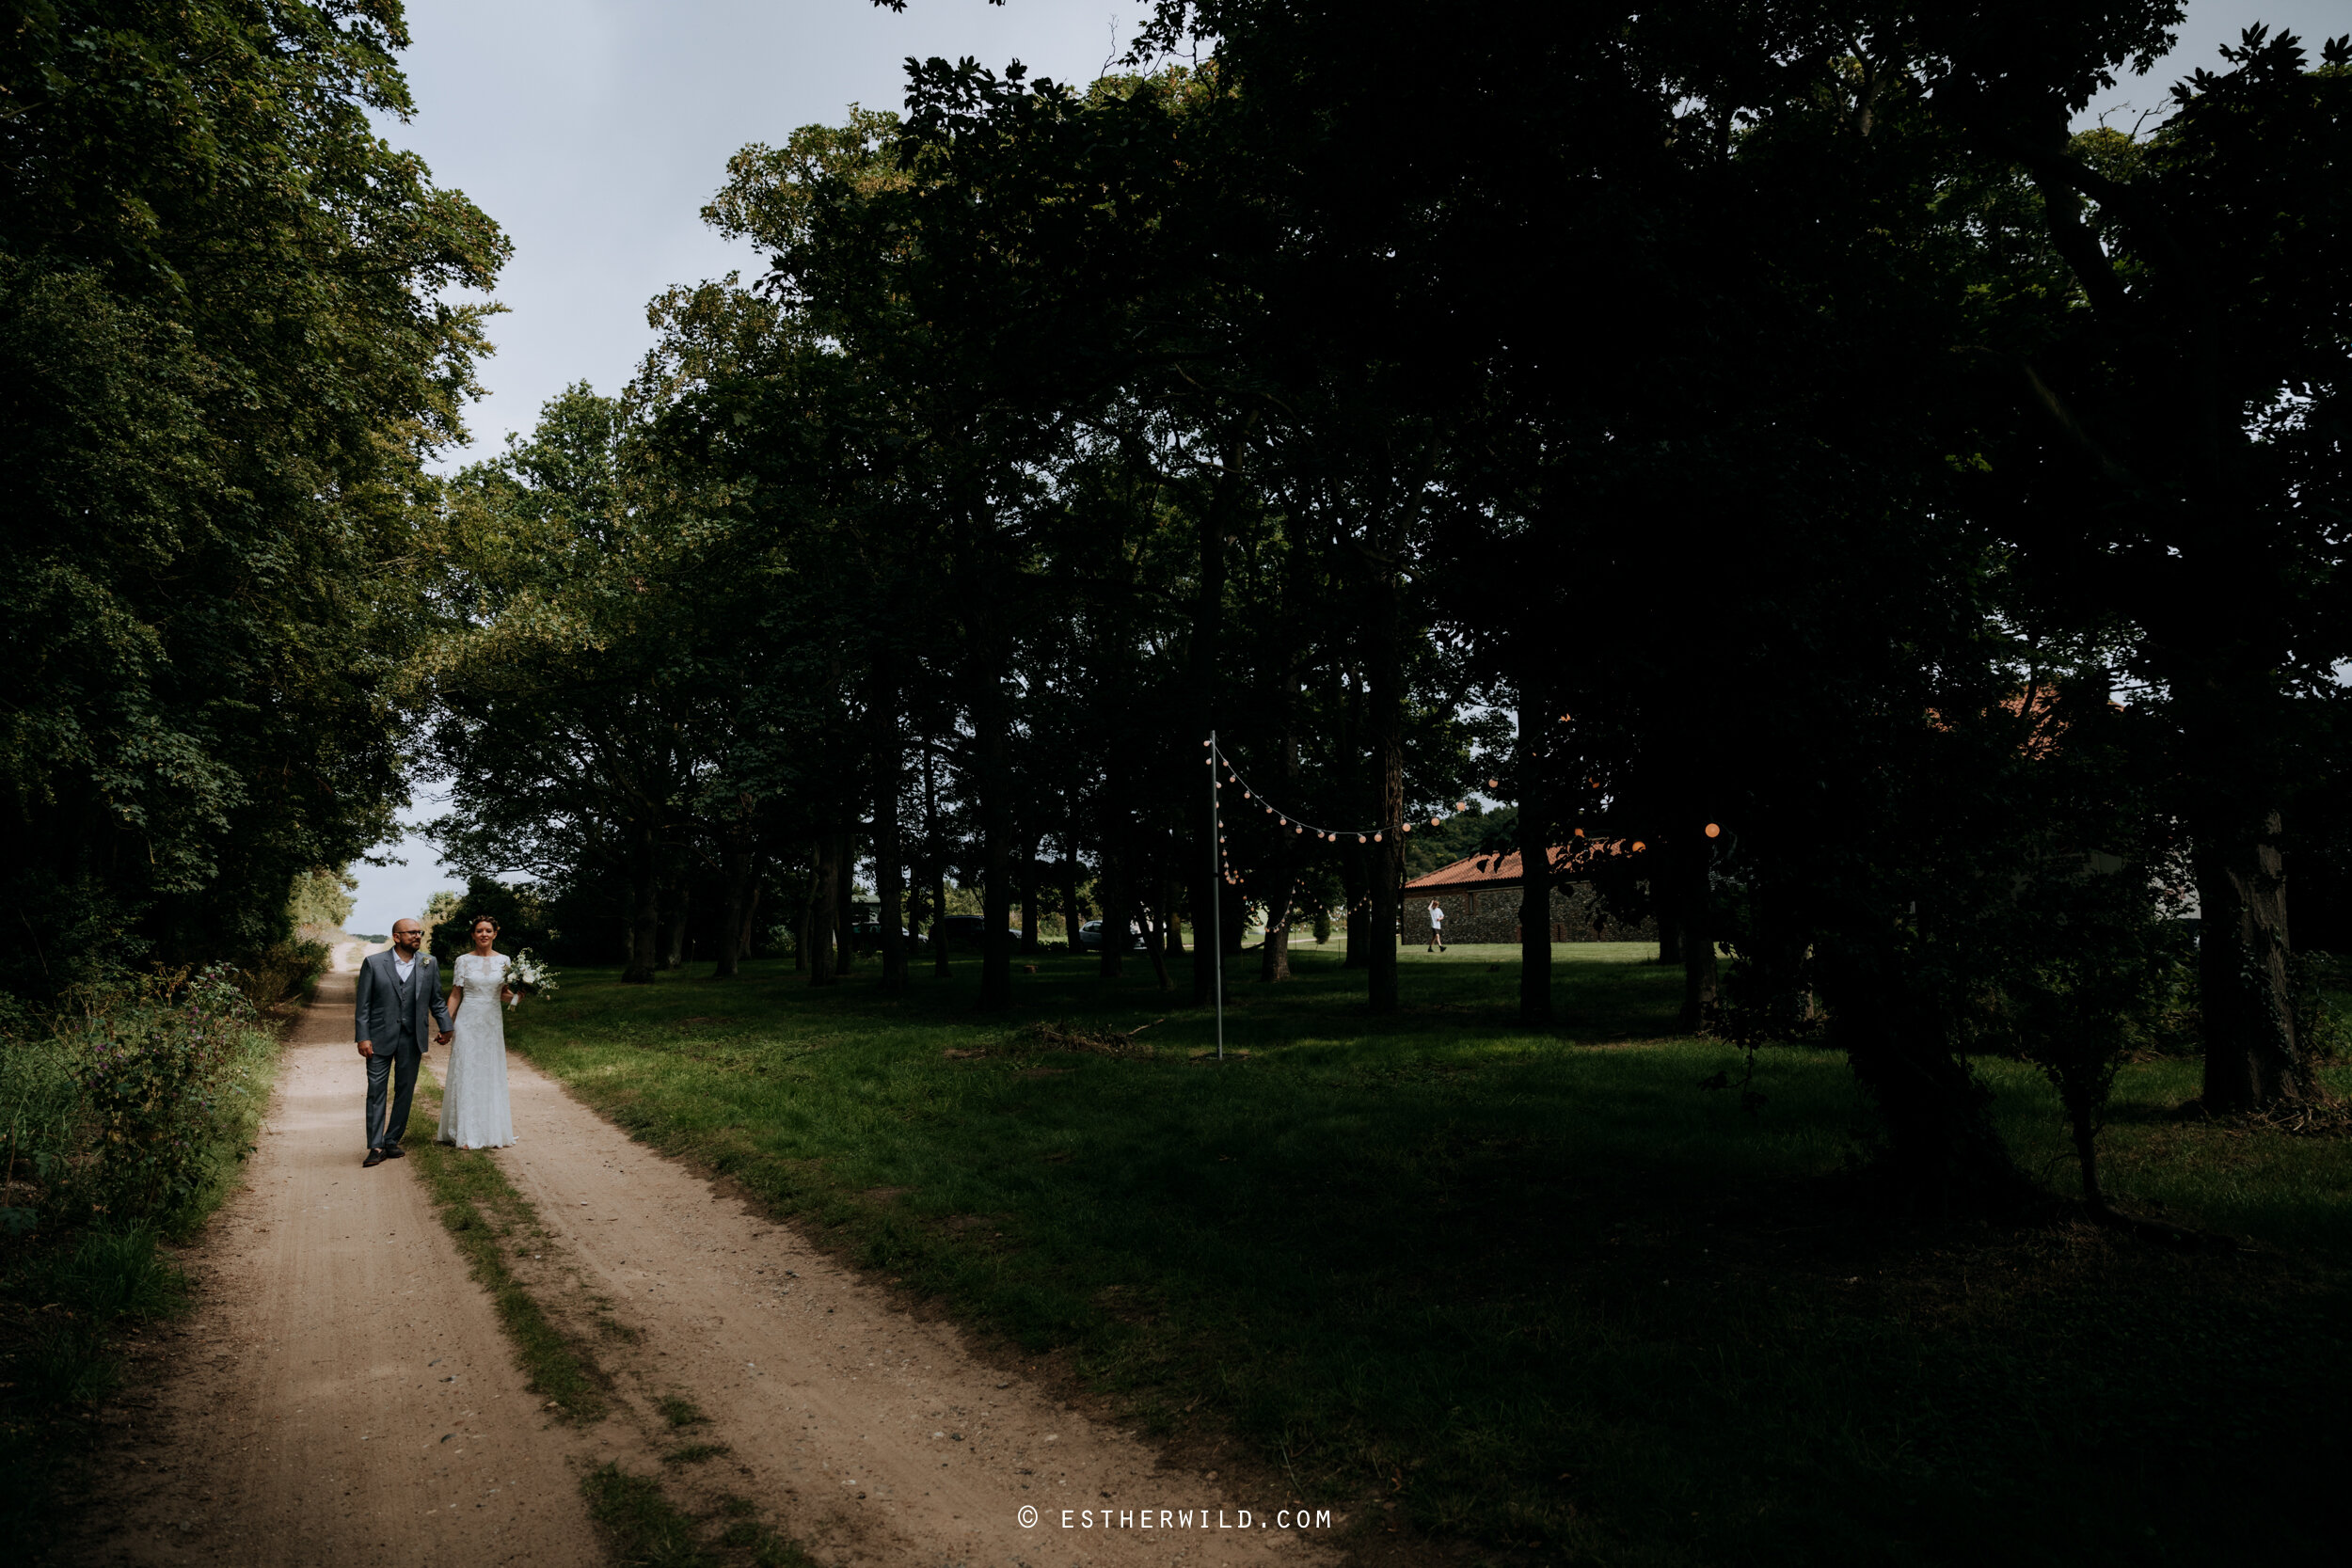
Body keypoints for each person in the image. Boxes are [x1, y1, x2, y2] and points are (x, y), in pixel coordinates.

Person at [354, 918, 453, 1167]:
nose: (417, 936)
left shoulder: (429, 963)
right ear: (396, 937)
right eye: (411, 932)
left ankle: (391, 1139)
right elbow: (363, 1005)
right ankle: (375, 1146)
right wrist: (363, 1036)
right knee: (376, 1091)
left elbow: (437, 1000)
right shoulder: (374, 963)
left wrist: (446, 1027)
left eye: (419, 932)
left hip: (412, 1038)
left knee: (405, 1091)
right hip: (378, 1038)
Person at [438, 915, 516, 1149]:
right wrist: (446, 1024)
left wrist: (521, 994)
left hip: (492, 1022)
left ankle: (490, 1130)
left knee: (489, 1070)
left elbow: (504, 993)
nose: (484, 934)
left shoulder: (504, 960)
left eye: (488, 930)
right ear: (473, 934)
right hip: (467, 1021)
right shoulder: (463, 961)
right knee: (467, 1070)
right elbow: (455, 994)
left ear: (495, 934)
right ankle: (465, 1132)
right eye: (479, 930)